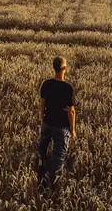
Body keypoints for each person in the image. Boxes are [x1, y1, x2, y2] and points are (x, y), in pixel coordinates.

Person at [37, 56, 77, 186]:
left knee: (42, 150)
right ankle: (54, 186)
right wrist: (72, 129)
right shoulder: (68, 88)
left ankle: (39, 172)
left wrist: (43, 118)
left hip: (47, 123)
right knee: (58, 158)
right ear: (64, 68)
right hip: (62, 128)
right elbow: (71, 111)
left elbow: (42, 104)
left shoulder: (46, 84)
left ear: (54, 68)